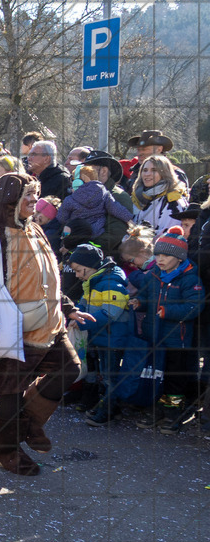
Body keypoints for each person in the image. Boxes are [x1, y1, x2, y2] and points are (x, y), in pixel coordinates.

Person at [0, 173, 93, 475]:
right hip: (12, 329)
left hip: (50, 325)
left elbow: (49, 275)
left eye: (35, 196)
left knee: (68, 369)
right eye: (27, 197)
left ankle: (27, 424)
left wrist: (68, 308)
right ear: (10, 201)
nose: (34, 202)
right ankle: (4, 451)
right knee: (10, 393)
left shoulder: (36, 229)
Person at [128, 227, 205, 433]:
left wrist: (168, 311)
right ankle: (156, 407)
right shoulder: (154, 275)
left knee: (174, 377)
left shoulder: (190, 279)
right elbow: (147, 298)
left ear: (179, 258)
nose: (160, 259)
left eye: (166, 255)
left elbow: (194, 306)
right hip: (154, 335)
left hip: (176, 338)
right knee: (155, 374)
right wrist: (140, 303)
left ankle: (173, 411)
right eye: (158, 254)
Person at [65, 244, 129, 427]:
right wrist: (76, 314)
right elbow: (83, 305)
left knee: (110, 376)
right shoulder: (92, 281)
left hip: (112, 338)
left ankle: (109, 409)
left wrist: (83, 321)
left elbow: (111, 313)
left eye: (78, 270)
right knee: (100, 373)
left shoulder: (111, 283)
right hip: (100, 335)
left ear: (89, 265)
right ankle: (100, 402)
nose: (76, 275)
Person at [56, 165, 134, 239]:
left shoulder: (70, 199)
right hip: (96, 233)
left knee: (65, 232)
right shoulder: (104, 193)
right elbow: (116, 208)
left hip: (75, 234)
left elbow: (61, 218)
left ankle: (64, 246)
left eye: (73, 179)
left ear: (78, 182)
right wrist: (129, 219)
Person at [132, 155, 188, 236]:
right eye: (145, 170)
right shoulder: (136, 198)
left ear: (164, 173)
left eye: (154, 170)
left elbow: (167, 236)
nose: (147, 174)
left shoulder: (173, 201)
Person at [123, 130, 188, 192]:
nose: (140, 153)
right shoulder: (135, 172)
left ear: (159, 149)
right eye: (138, 150)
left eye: (144, 149)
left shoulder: (175, 173)